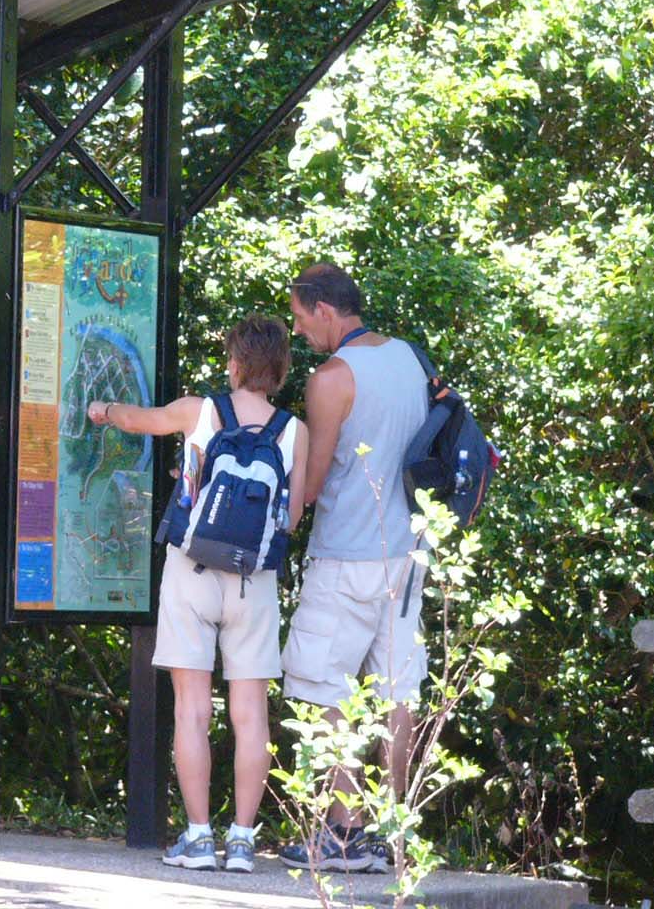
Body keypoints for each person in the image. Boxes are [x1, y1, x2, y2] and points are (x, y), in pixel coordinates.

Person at [88, 315, 308, 874]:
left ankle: (197, 836)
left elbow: (141, 420)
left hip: (191, 570)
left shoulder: (199, 411)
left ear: (234, 363)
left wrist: (105, 412)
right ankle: (241, 842)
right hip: (252, 581)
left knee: (192, 708)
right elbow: (294, 513)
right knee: (251, 714)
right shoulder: (293, 431)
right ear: (280, 370)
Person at [276, 263, 430, 875]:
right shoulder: (409, 361)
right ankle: (394, 830)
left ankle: (344, 832)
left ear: (323, 309)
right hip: (409, 552)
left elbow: (311, 487)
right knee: (399, 690)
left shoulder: (332, 379)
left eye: (298, 316)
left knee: (325, 687)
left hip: (344, 555)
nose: (298, 329)